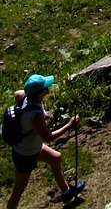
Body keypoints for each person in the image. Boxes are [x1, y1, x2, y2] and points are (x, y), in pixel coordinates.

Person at [5, 74, 85, 208]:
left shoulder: (25, 97)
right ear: (39, 93)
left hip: (32, 147)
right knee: (18, 191)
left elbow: (17, 94)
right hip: (25, 155)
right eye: (45, 87)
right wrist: (69, 126)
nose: (48, 88)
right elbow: (48, 137)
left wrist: (44, 115)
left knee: (55, 158)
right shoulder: (35, 116)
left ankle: (66, 193)